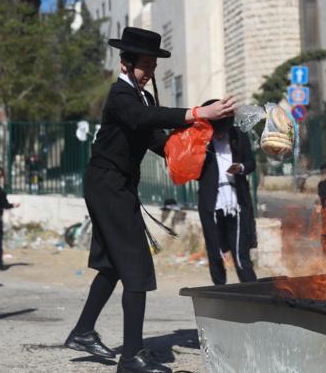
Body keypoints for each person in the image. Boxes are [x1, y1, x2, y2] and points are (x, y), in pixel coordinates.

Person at [64, 27, 235, 373]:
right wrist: (196, 113)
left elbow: (159, 142)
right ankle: (130, 358)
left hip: (117, 185)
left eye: (153, 65)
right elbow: (143, 120)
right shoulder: (120, 96)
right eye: (144, 64)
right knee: (137, 268)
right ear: (125, 63)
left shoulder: (144, 99)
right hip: (107, 185)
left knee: (112, 265)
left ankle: (83, 331)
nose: (150, 71)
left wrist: (198, 142)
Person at [196, 101, 257, 285]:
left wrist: (241, 167)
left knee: (240, 253)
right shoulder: (201, 142)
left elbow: (251, 162)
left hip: (236, 202)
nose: (220, 133)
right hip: (211, 203)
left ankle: (251, 291)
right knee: (215, 253)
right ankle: (219, 292)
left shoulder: (239, 137)